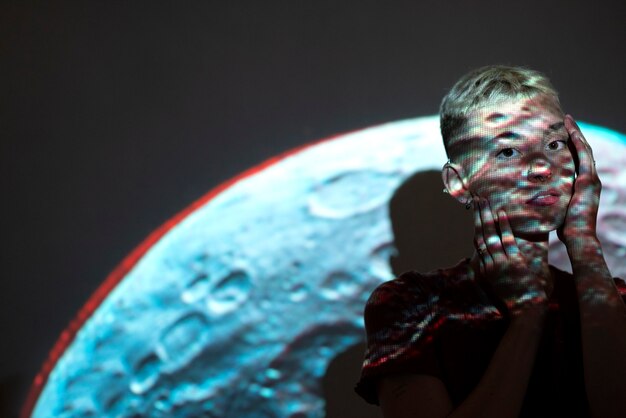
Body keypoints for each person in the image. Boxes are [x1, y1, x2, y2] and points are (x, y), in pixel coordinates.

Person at [354, 65, 626, 418]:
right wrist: (527, 317)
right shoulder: (413, 306)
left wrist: (584, 243)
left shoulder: (613, 301)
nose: (542, 168)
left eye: (555, 144)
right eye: (508, 152)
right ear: (459, 183)